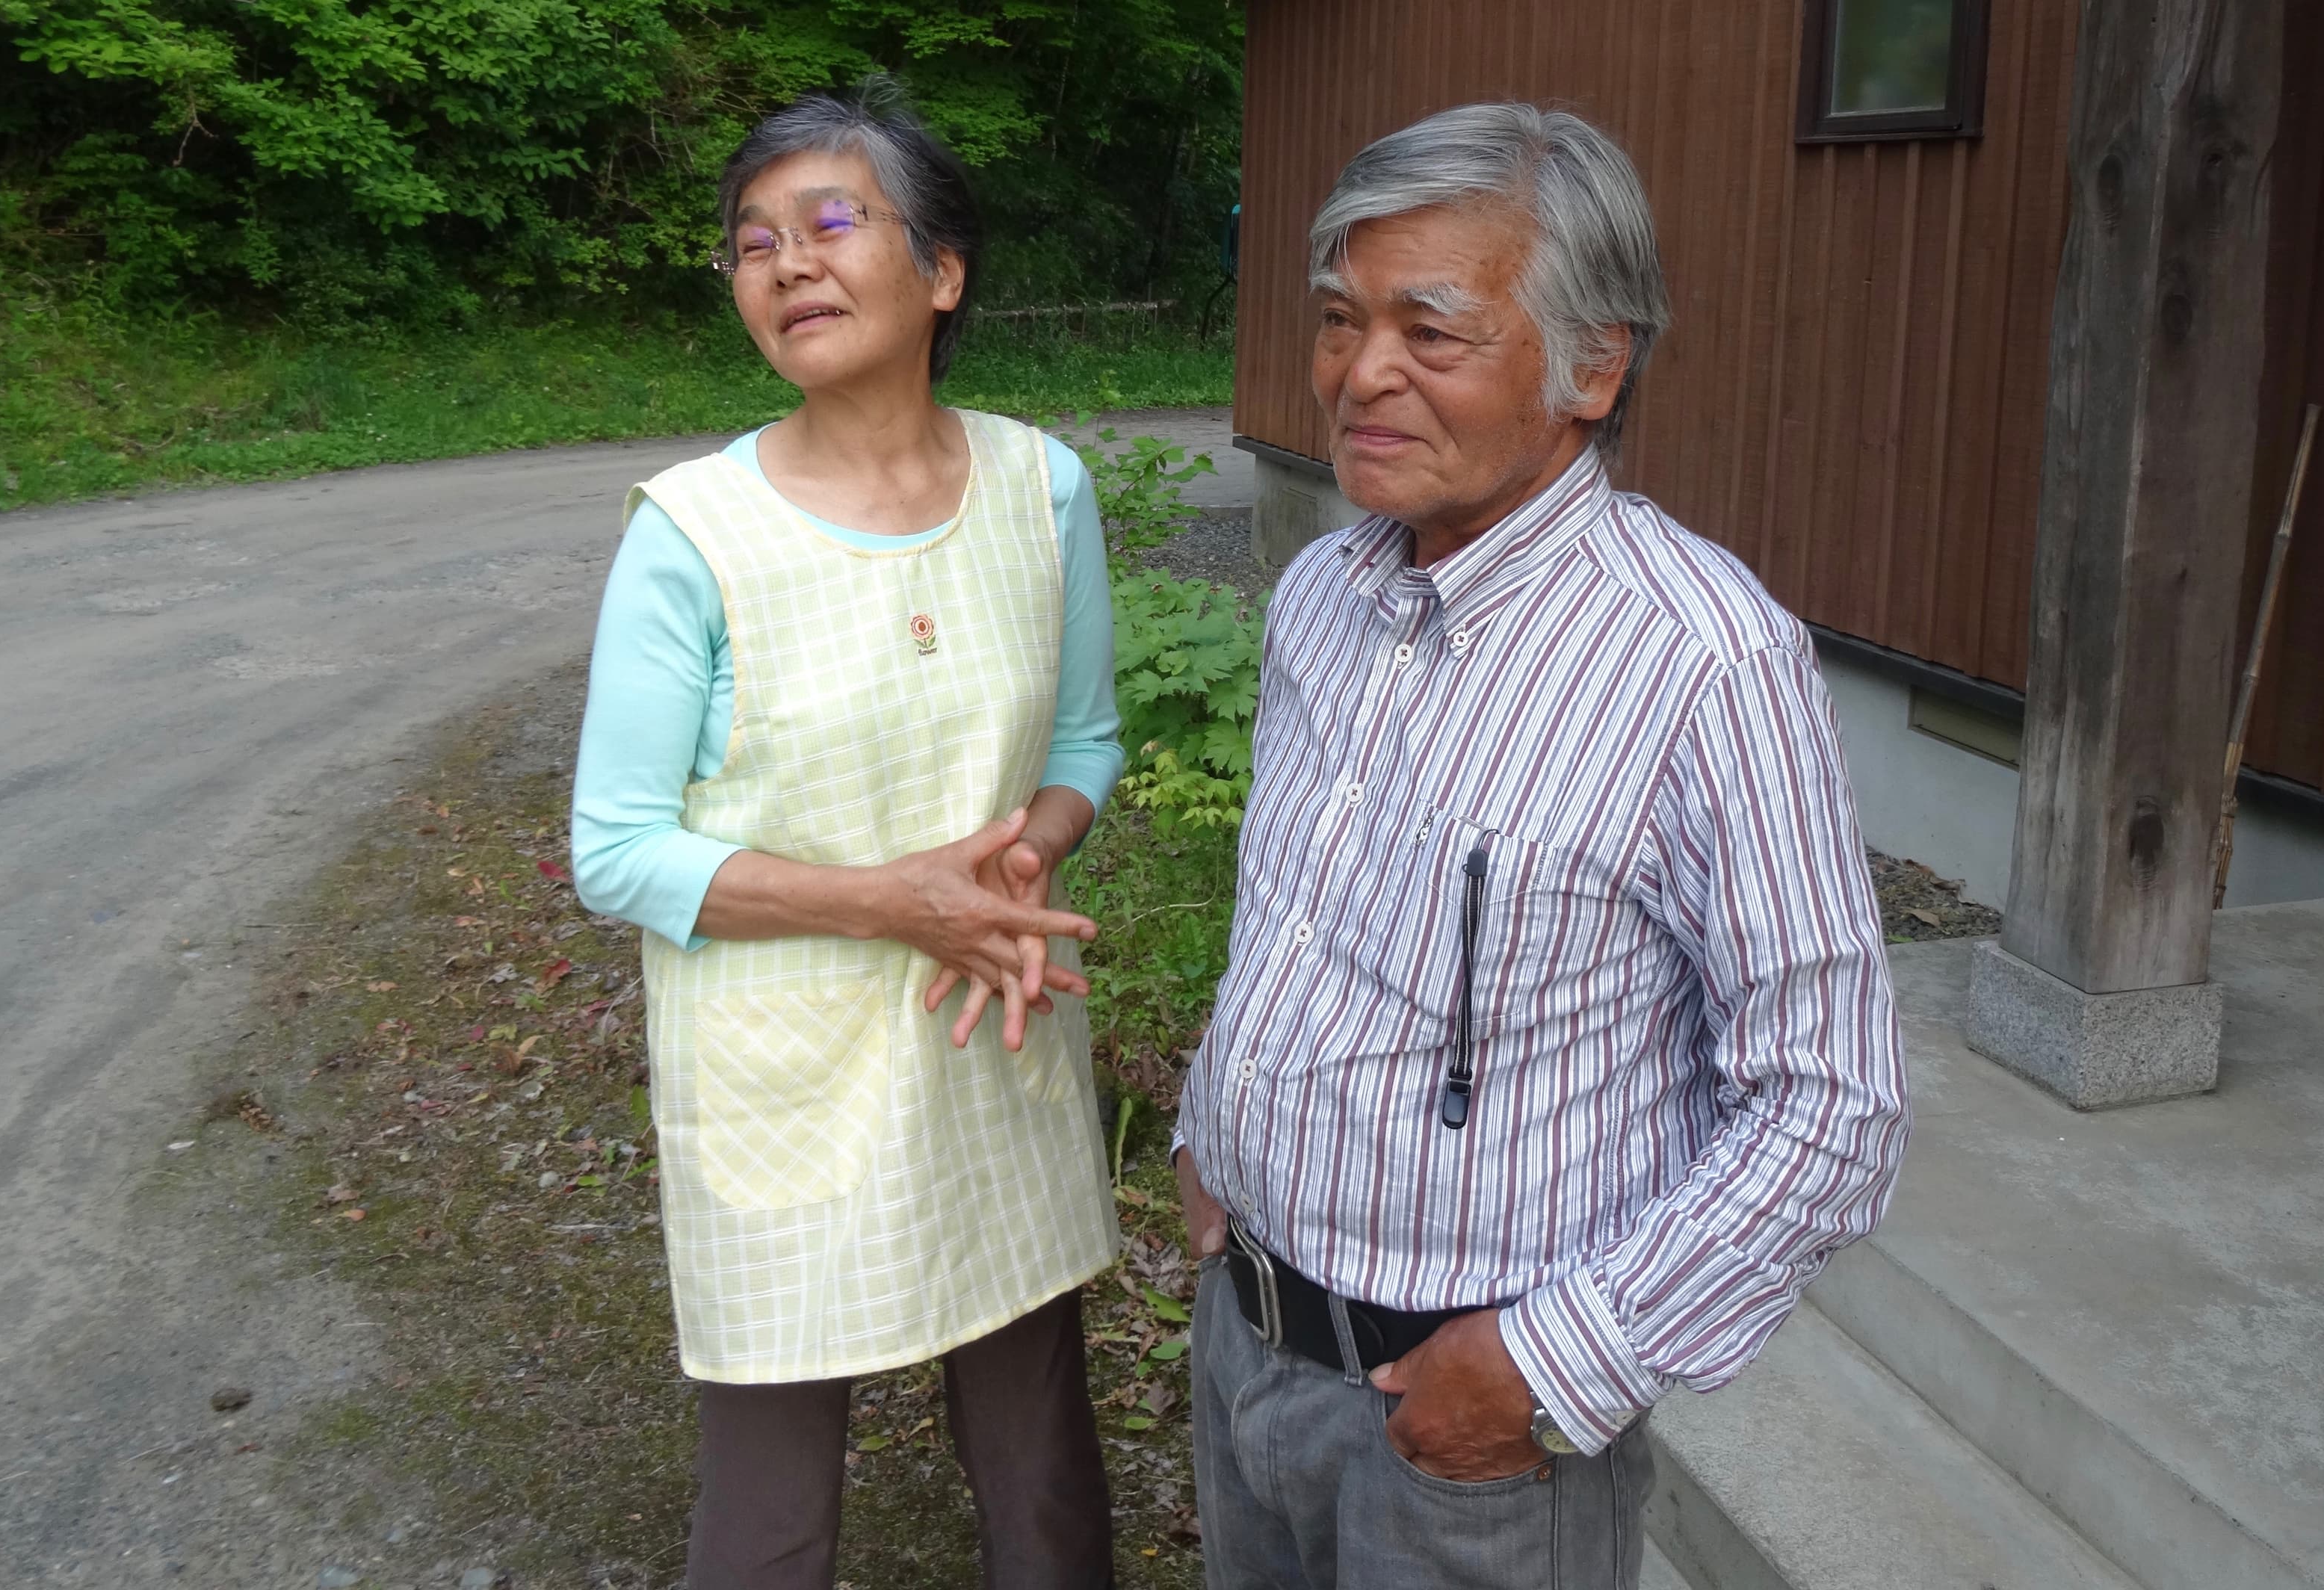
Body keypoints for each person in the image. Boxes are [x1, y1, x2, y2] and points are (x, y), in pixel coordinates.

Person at [1172, 102, 1910, 1589]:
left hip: (1473, 1436)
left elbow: (1833, 1102)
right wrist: (1211, 1131)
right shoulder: (1321, 591)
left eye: (1428, 332)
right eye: (1337, 319)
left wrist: (1557, 1364)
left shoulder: (1702, 661)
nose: (1357, 372)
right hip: (1243, 1342)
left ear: (1594, 362)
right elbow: (1300, 918)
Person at [569, 77, 1121, 1590]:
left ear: (941, 273)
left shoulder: (1042, 485)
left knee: (1042, 1465)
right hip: (778, 1072)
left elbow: (1081, 743)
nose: (788, 262)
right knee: (769, 1512)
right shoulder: (694, 531)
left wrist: (1027, 854)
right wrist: (894, 899)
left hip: (986, 1030)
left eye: (831, 222)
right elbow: (616, 848)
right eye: (752, 242)